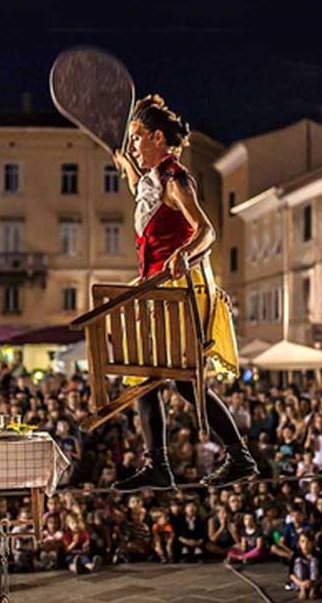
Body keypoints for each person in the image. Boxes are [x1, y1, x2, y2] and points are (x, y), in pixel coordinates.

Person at [109, 95, 256, 491]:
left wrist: (184, 252)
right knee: (149, 379)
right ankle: (162, 463)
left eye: (137, 138)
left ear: (158, 138)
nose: (133, 145)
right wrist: (123, 159)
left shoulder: (176, 180)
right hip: (156, 293)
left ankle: (235, 458)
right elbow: (137, 182)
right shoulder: (151, 181)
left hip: (177, 293)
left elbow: (207, 231)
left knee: (177, 382)